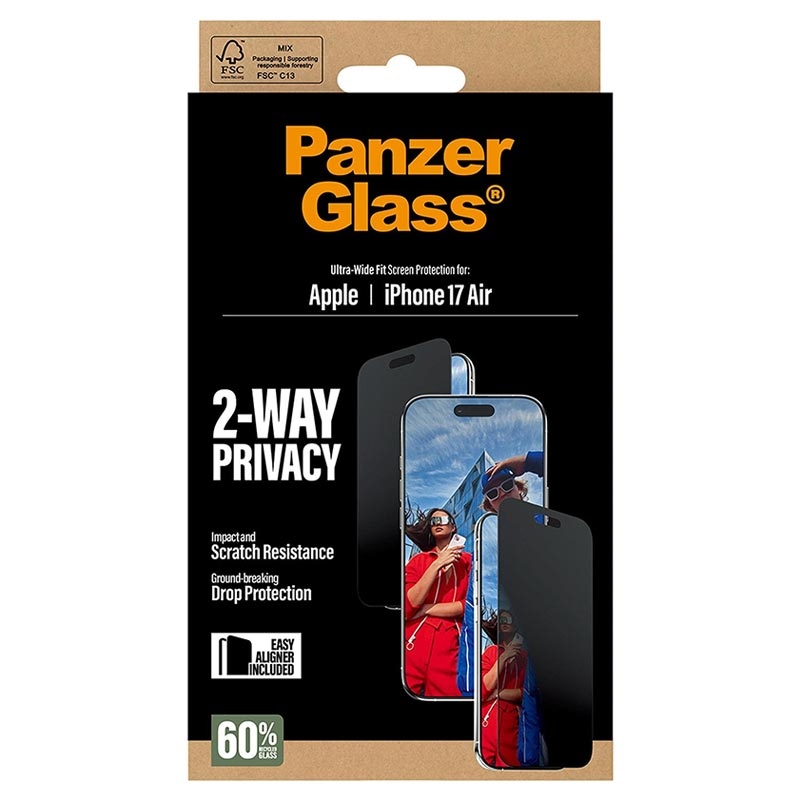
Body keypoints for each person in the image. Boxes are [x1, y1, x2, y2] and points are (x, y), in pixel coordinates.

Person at [403, 508, 472, 698]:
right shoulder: (418, 561)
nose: (438, 524)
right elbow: (408, 606)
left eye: (443, 519)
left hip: (451, 646)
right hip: (413, 642)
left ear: (453, 526)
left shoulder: (469, 562)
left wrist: (426, 609)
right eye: (433, 521)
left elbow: (468, 606)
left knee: (448, 697)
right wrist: (436, 564)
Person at [479, 609, 530, 768]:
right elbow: (482, 689)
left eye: (508, 619)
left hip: (514, 723)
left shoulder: (525, 658)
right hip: (488, 719)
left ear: (516, 625)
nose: (504, 623)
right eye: (501, 621)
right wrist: (503, 657)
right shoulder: (491, 652)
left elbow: (526, 693)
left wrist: (497, 694)